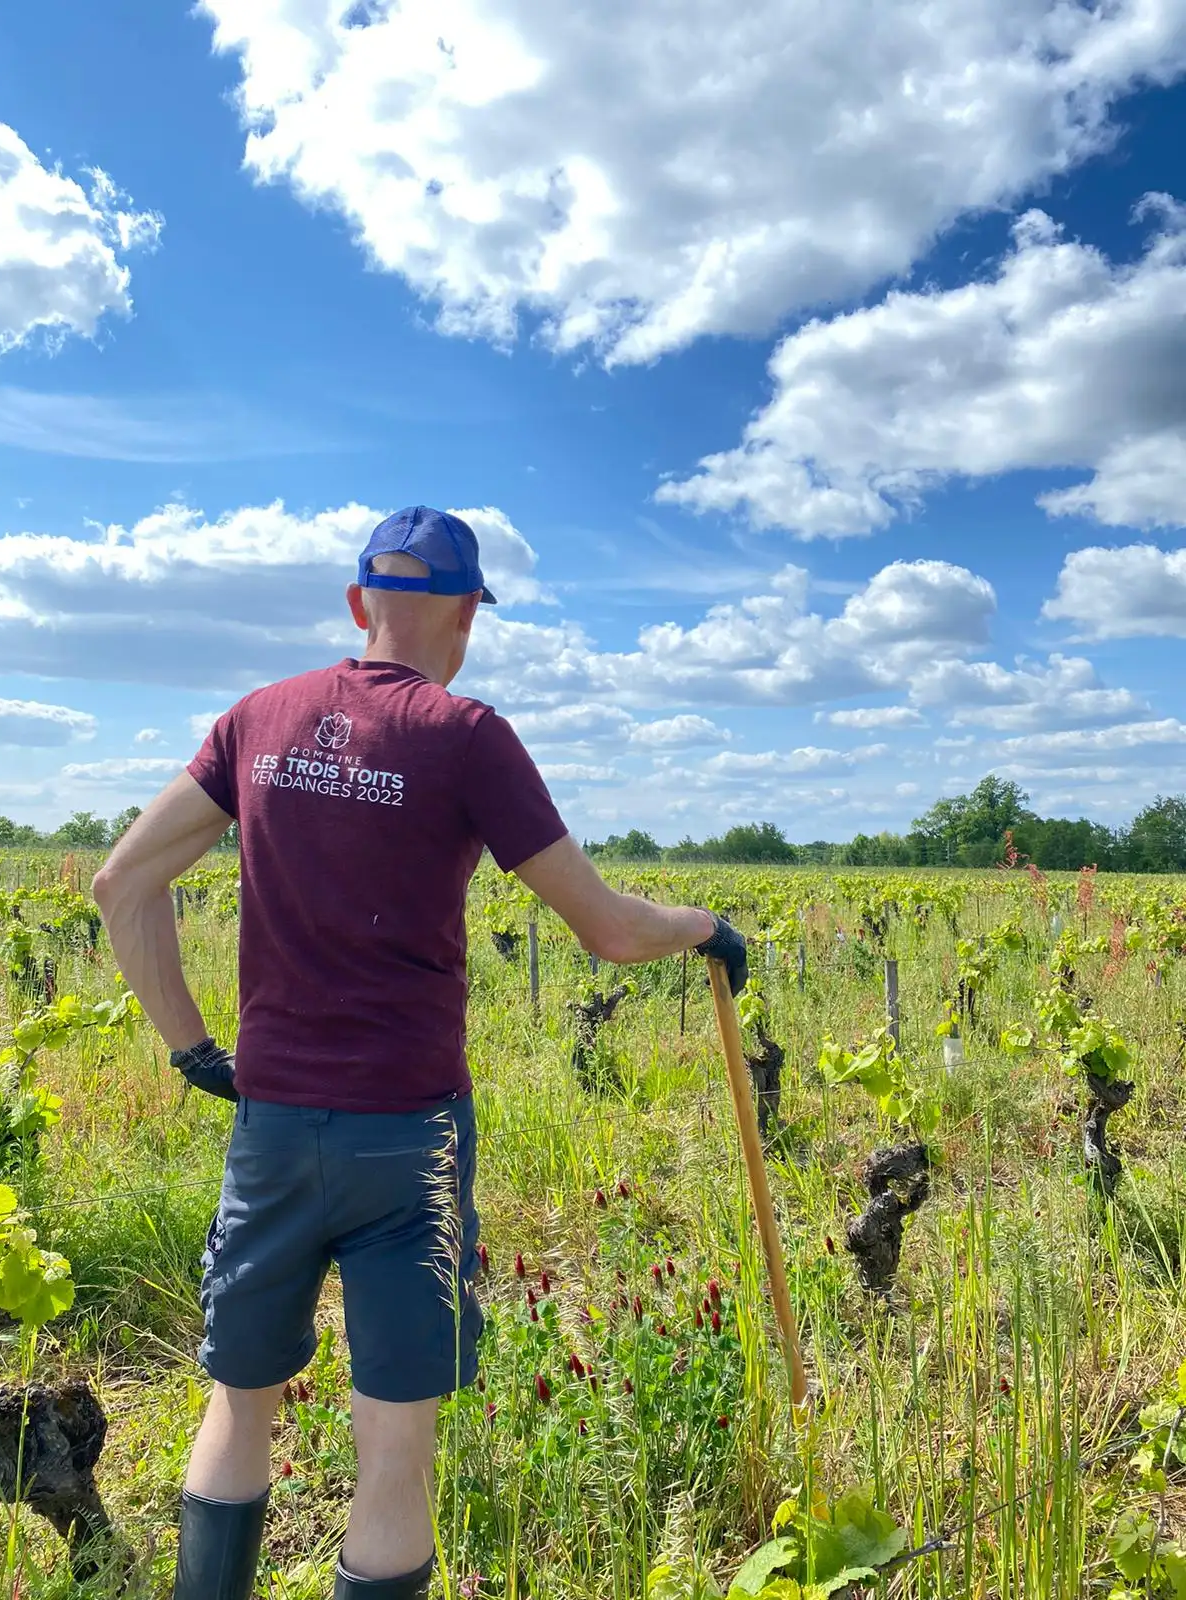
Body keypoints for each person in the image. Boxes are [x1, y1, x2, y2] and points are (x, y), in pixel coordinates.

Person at [92, 506, 747, 1600]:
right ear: (466, 616)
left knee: (237, 1399)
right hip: (413, 1141)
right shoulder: (466, 734)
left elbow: (122, 883)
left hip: (272, 1125)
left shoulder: (258, 717)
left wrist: (194, 1050)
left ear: (359, 605)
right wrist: (705, 928)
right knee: (395, 1442)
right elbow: (609, 929)